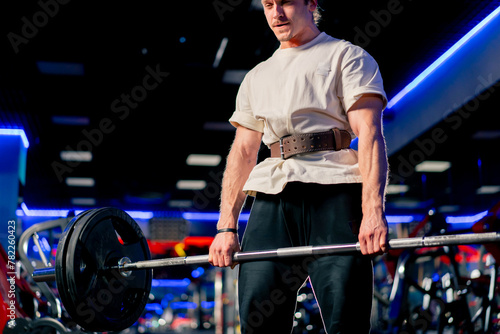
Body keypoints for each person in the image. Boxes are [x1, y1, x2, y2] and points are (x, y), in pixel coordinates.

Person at [208, 0, 389, 332]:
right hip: (272, 197)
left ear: (311, 3)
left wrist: (373, 211)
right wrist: (226, 227)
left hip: (335, 191)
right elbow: (244, 153)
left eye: (286, 2)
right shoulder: (257, 76)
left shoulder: (347, 57)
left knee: (345, 319)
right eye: (268, 5)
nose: (276, 14)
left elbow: (369, 135)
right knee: (256, 318)